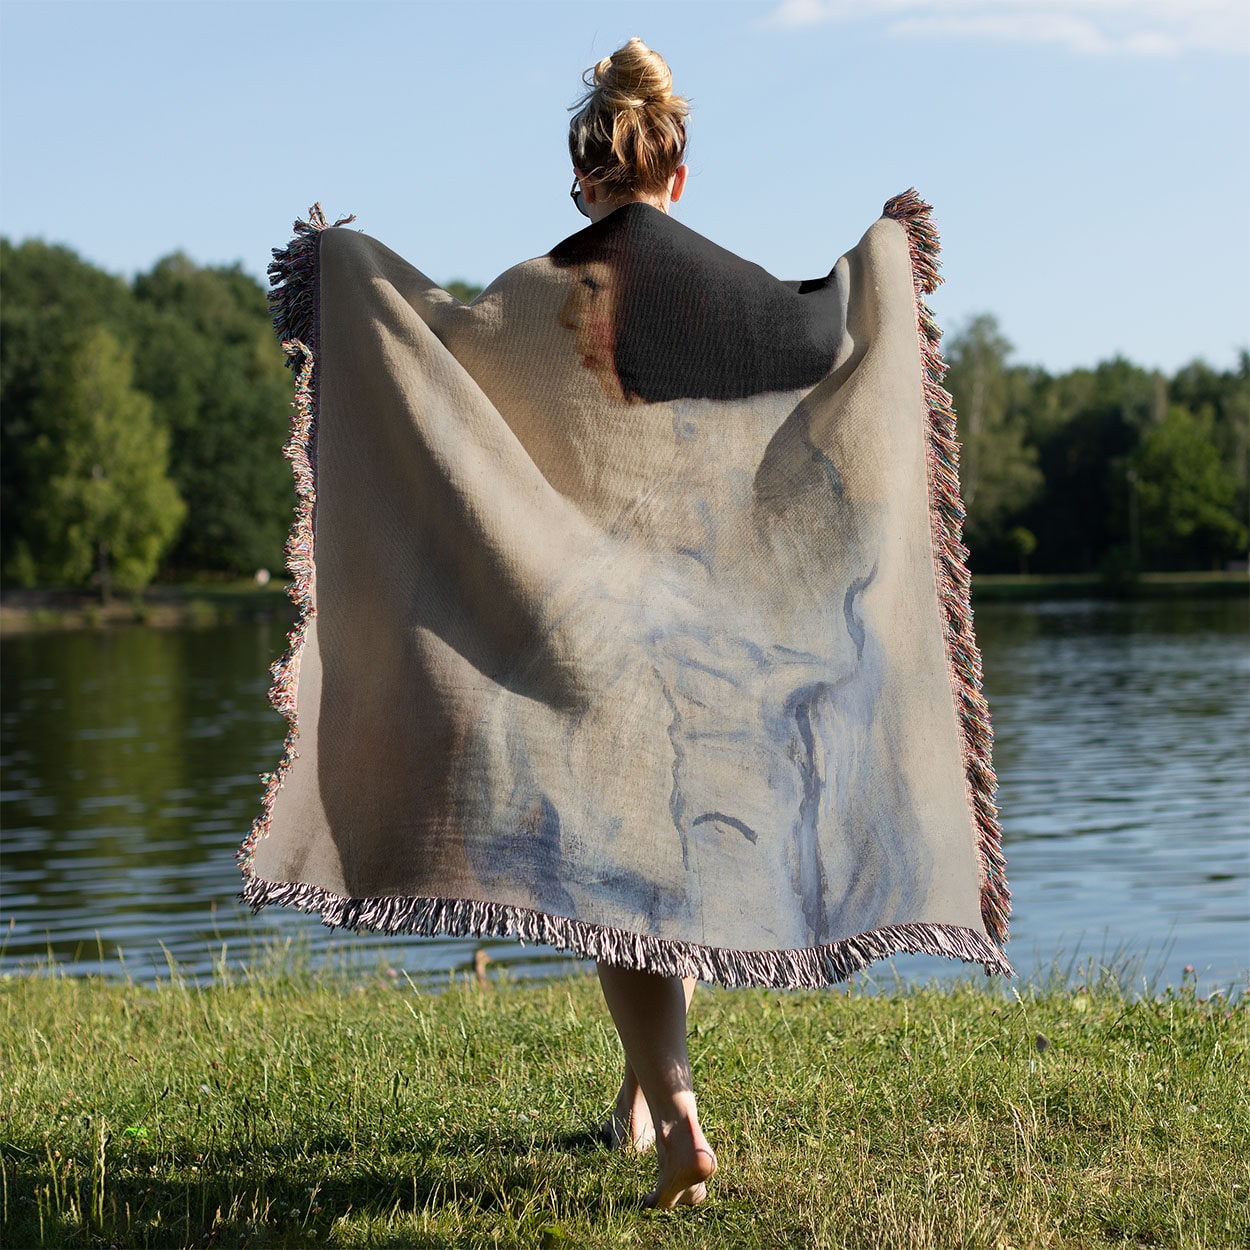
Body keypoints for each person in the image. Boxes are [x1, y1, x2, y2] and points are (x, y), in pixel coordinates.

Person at [565, 36, 718, 1212]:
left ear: (587, 179)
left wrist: (347, 280)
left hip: (594, 620)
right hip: (711, 624)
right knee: (654, 869)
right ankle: (633, 1098)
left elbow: (445, 385)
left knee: (613, 883)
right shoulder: (730, 289)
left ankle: (676, 1116)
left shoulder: (548, 287)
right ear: (675, 174)